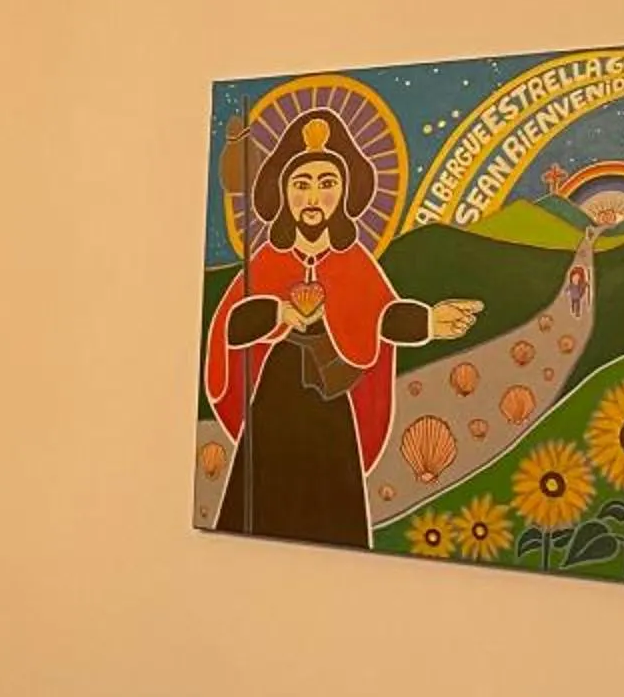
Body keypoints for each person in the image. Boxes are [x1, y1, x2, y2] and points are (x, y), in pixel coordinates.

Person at [205, 111, 482, 549]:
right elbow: (231, 327)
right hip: (274, 401)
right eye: (301, 184)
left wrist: (430, 321)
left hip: (331, 404)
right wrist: (277, 312)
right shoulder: (267, 261)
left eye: (326, 182)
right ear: (283, 193)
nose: (313, 196)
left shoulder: (353, 262)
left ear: (344, 192)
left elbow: (382, 316)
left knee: (330, 508)